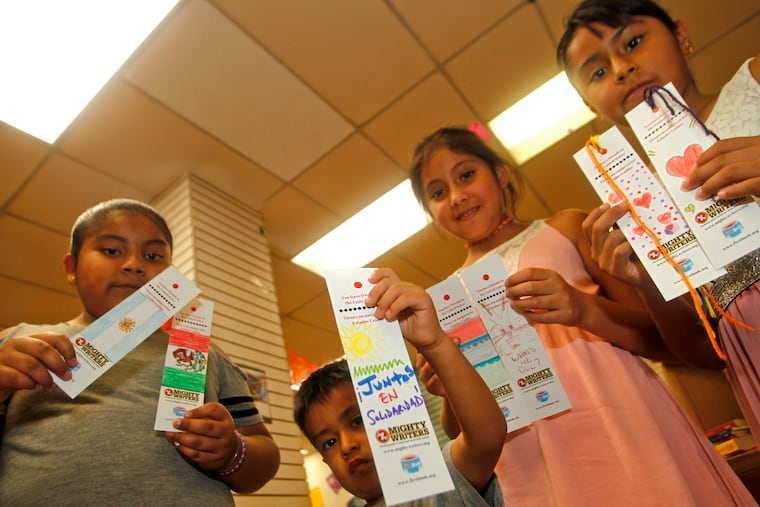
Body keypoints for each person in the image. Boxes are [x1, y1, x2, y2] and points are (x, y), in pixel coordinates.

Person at [408, 126, 756, 505]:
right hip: (532, 464)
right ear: (430, 212)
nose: (457, 197)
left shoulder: (568, 227)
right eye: (439, 192)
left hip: (623, 420)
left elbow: (668, 341)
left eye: (466, 175)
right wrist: (448, 388)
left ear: (501, 173)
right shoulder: (443, 302)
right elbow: (464, 430)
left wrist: (583, 307)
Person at [557, 0, 760, 438]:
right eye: (597, 72)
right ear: (591, 105)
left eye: (632, 42)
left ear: (681, 34)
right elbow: (707, 355)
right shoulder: (637, 207)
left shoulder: (754, 82)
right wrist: (644, 282)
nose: (621, 69)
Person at [0, 199, 280, 505]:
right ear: (71, 268)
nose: (134, 264)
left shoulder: (203, 352)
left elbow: (262, 451)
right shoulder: (17, 343)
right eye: (111, 250)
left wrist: (232, 452)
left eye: (153, 255)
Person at [293, 268, 507, 507]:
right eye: (329, 443)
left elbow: (486, 438)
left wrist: (434, 343)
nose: (346, 445)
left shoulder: (440, 484)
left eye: (356, 421)